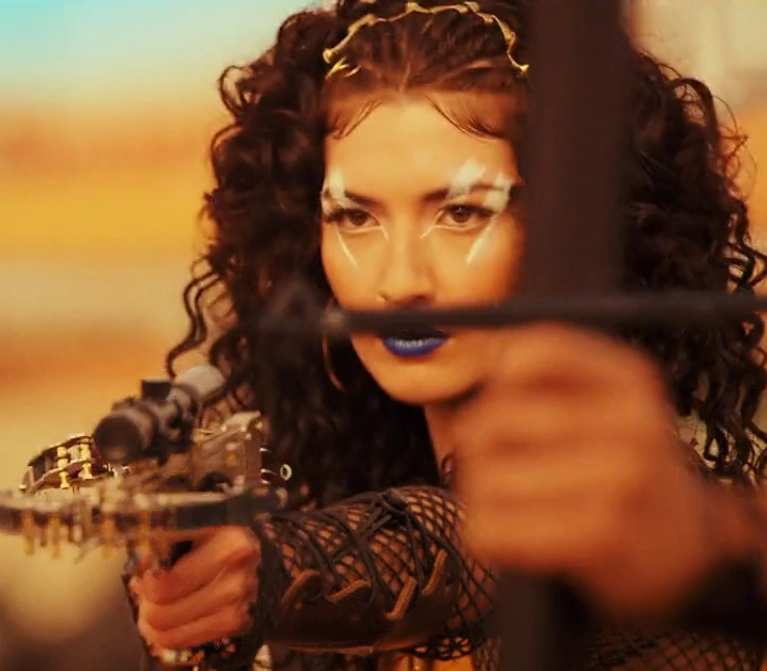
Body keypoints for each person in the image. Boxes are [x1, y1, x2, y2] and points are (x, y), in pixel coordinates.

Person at [128, 1, 767, 670]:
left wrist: (273, 570)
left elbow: (466, 547)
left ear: (576, 232)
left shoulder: (632, 516)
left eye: (462, 212)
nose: (402, 281)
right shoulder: (351, 472)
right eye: (355, 217)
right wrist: (174, 560)